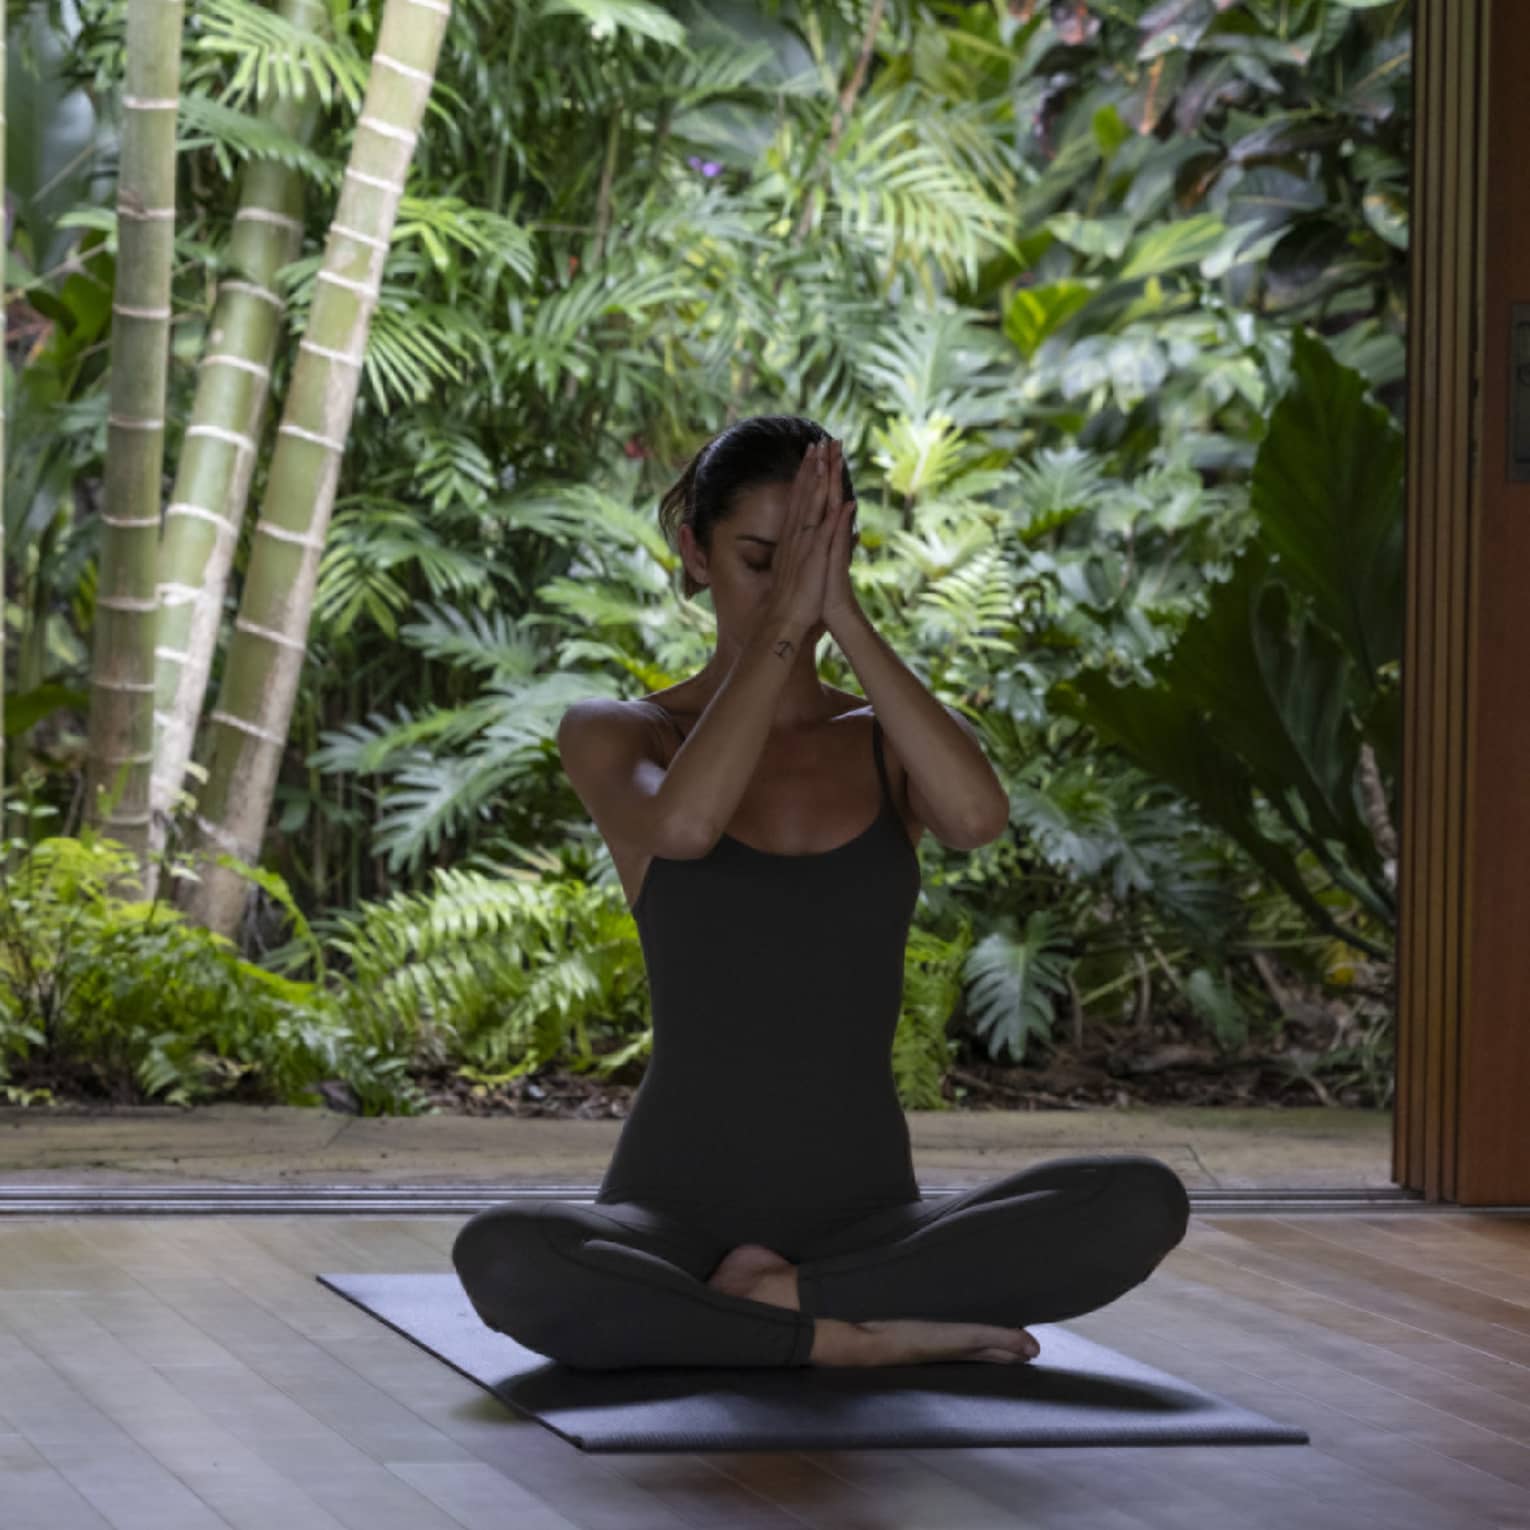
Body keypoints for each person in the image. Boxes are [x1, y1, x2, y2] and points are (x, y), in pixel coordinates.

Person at [452, 415, 1190, 1371]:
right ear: (695, 551)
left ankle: (785, 1308)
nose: (783, 590)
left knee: (1138, 1201)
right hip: (671, 1217)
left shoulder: (886, 739)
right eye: (761, 560)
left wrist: (840, 615)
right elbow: (683, 829)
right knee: (506, 1258)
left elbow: (976, 819)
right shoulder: (621, 734)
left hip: (873, 1220)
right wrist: (788, 627)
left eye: (813, 560)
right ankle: (844, 1340)